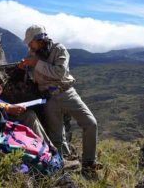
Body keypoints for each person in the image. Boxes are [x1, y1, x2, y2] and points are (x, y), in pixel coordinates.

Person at [18, 25, 101, 179]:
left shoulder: (59, 49)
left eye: (31, 42)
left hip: (66, 93)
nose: (29, 46)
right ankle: (62, 171)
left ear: (40, 39)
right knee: (56, 138)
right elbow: (34, 72)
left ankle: (89, 163)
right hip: (48, 98)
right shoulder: (32, 53)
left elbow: (59, 73)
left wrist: (35, 63)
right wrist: (25, 67)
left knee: (90, 123)